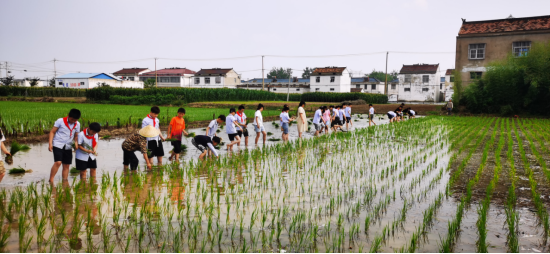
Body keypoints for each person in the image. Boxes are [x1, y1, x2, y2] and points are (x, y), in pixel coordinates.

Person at [49, 108, 81, 184]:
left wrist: (76, 143)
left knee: (66, 165)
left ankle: (65, 181)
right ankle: (51, 180)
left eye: (75, 120)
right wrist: (50, 143)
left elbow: (76, 136)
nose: (73, 121)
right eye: (72, 119)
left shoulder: (77, 124)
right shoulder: (60, 121)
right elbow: (52, 132)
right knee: (58, 162)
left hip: (68, 145)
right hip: (58, 144)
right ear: (68, 115)